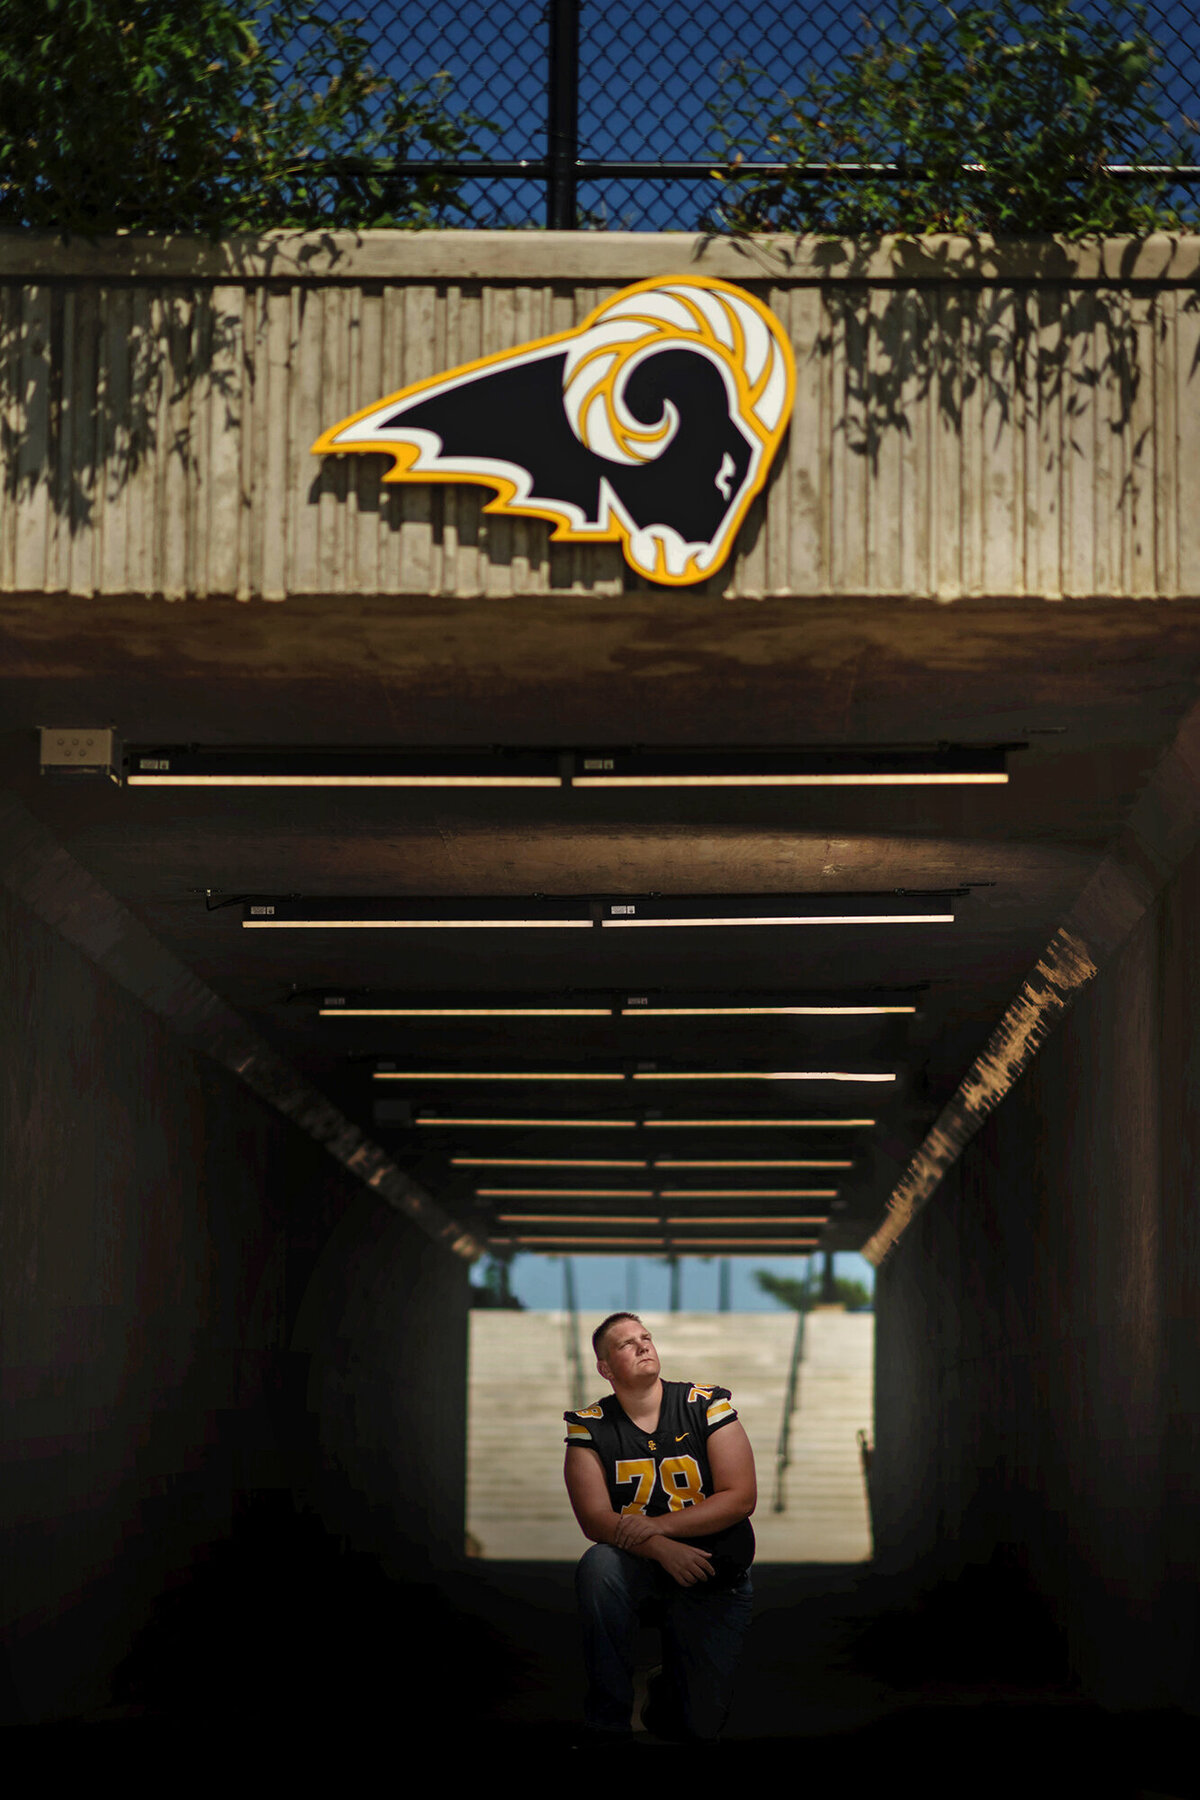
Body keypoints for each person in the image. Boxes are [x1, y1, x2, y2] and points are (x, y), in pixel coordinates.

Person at [563, 1310, 756, 1745]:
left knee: (695, 1725)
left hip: (712, 1567)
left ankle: (665, 1685)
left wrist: (658, 1528)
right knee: (599, 1565)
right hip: (638, 1567)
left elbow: (740, 1497)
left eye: (646, 1337)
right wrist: (662, 1548)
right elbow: (594, 1520)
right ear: (605, 1368)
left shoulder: (705, 1404)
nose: (642, 1345)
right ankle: (608, 1718)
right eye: (626, 1343)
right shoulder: (589, 1425)